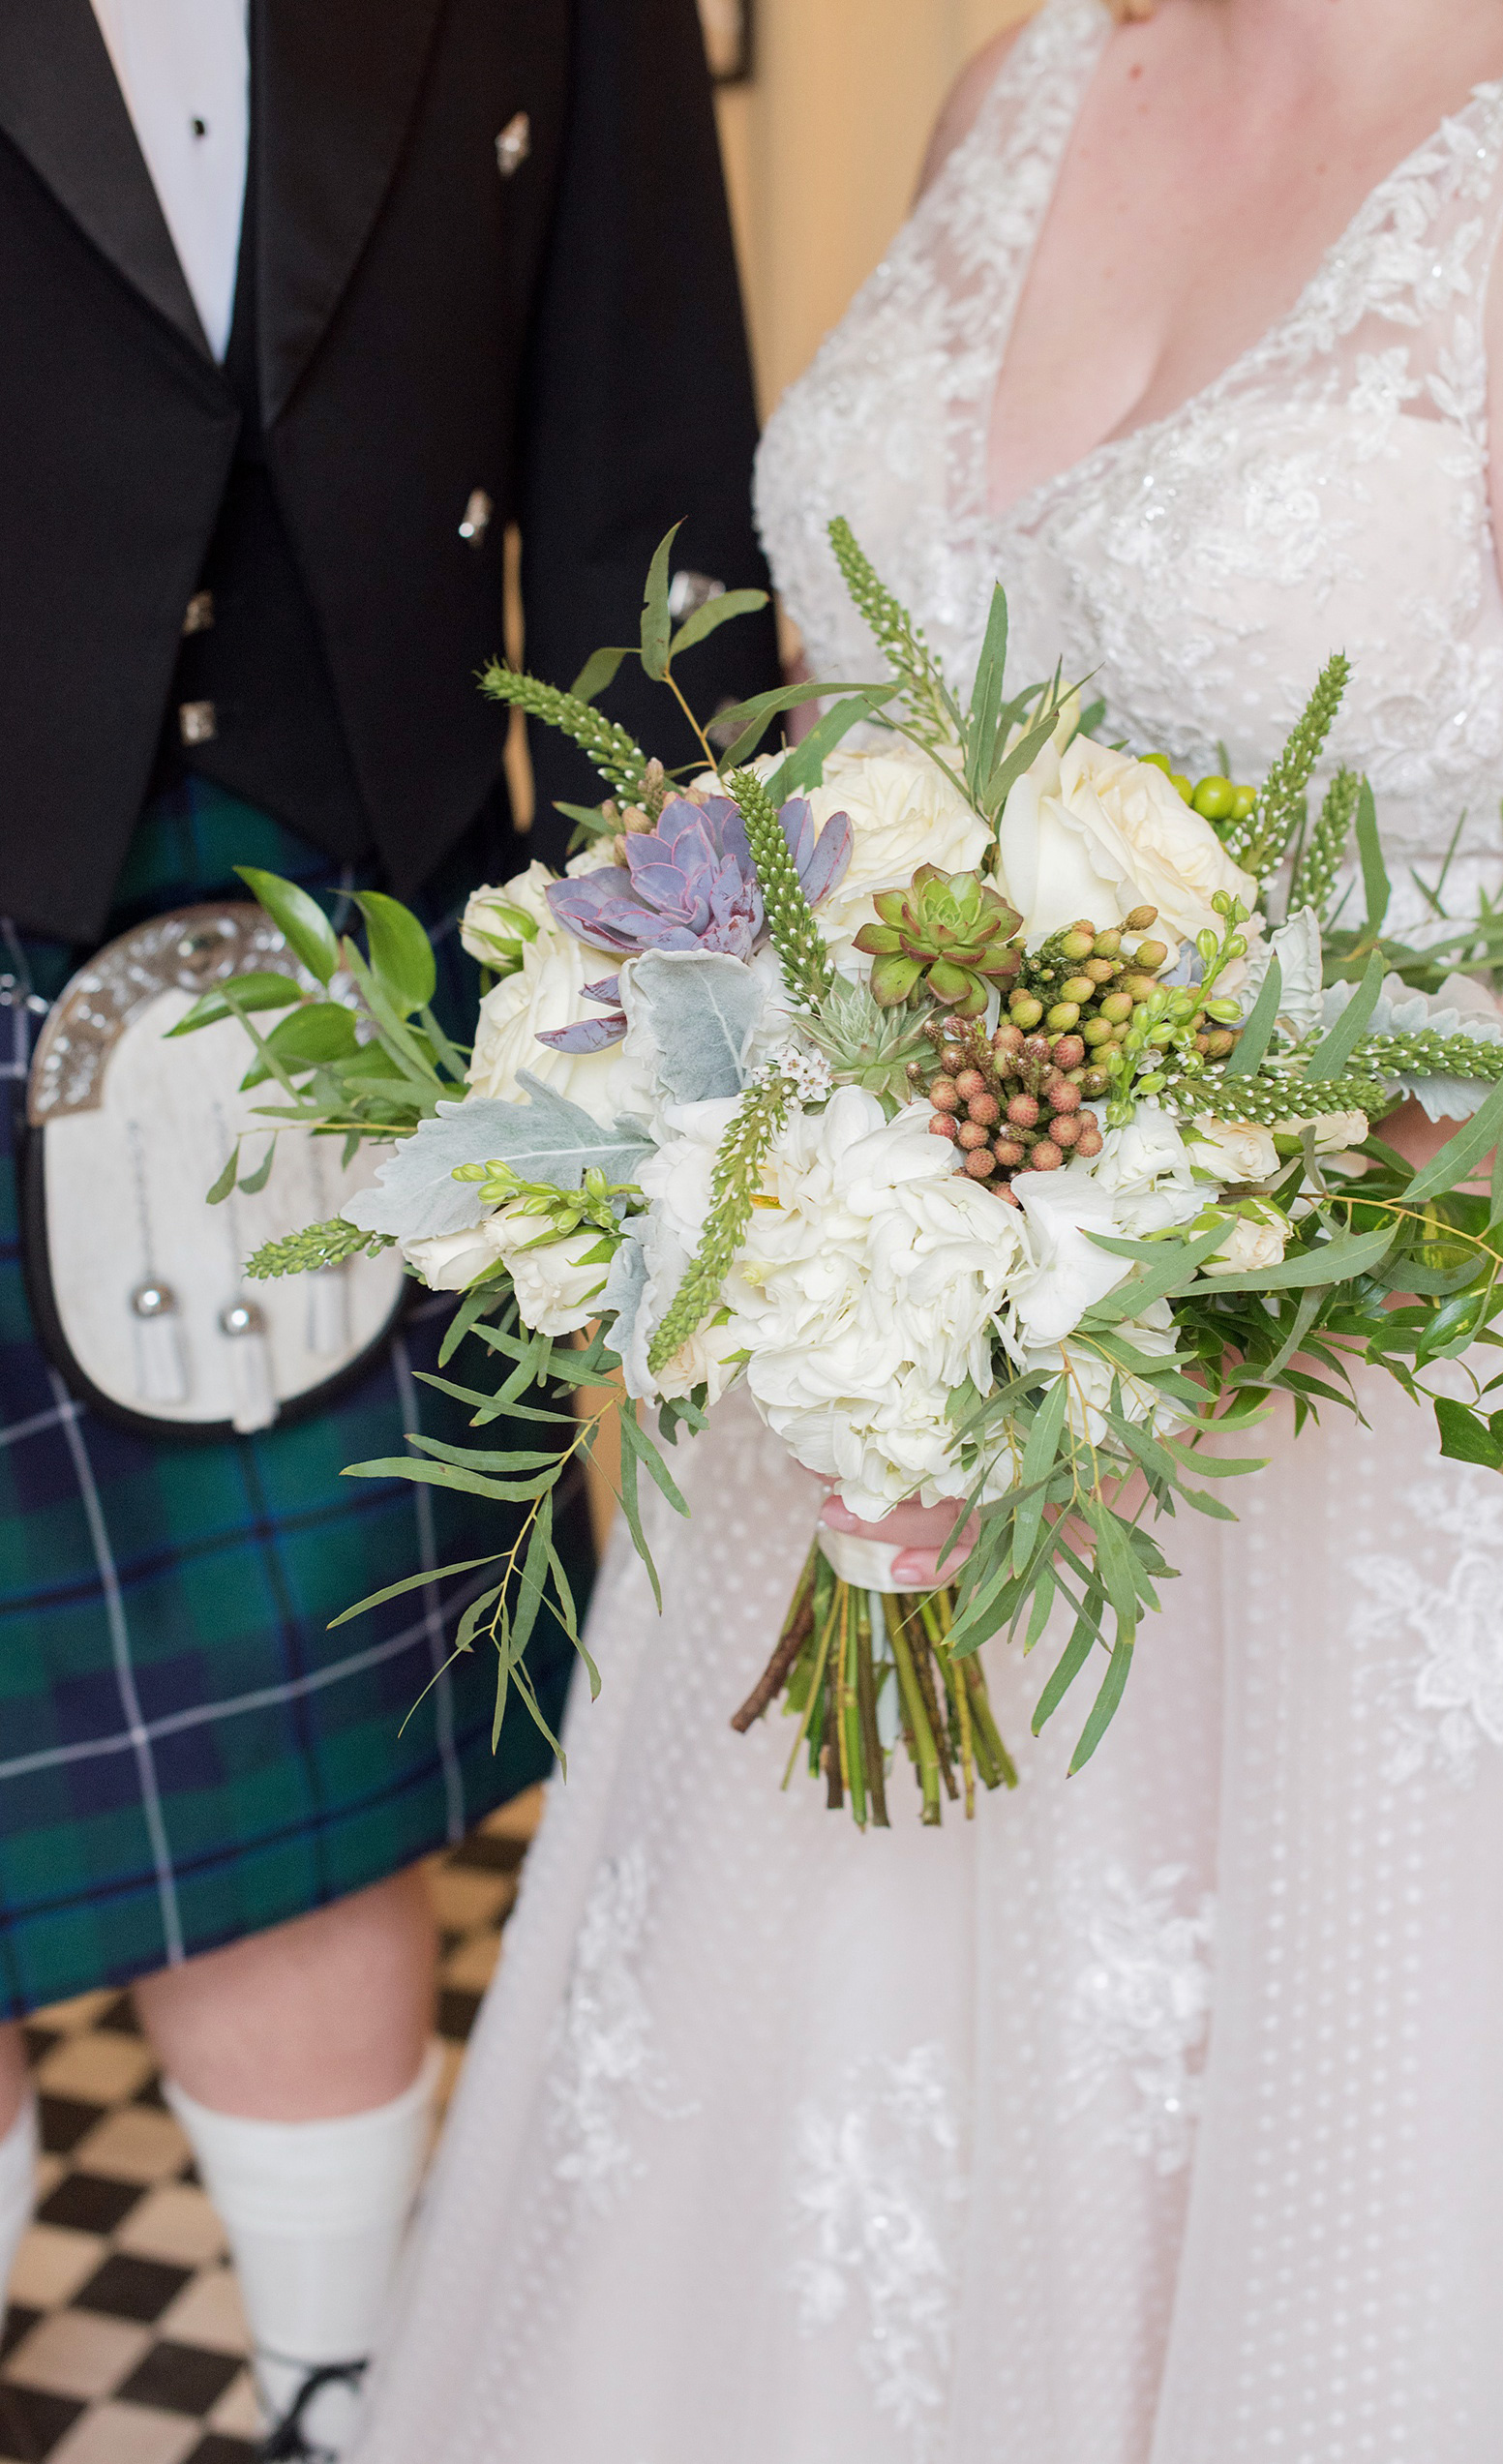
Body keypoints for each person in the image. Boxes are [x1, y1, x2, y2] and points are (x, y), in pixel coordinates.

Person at [353, 2, 1503, 2456]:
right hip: (864, 1487)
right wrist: (755, 1111)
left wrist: (1137, 1251)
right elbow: (852, 761)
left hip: (1356, 1519)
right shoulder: (1018, 78)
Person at [0, 2, 773, 2455]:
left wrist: (701, 1047)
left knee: (316, 1772)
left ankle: (353, 2387)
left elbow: (653, 466)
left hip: (375, 922)